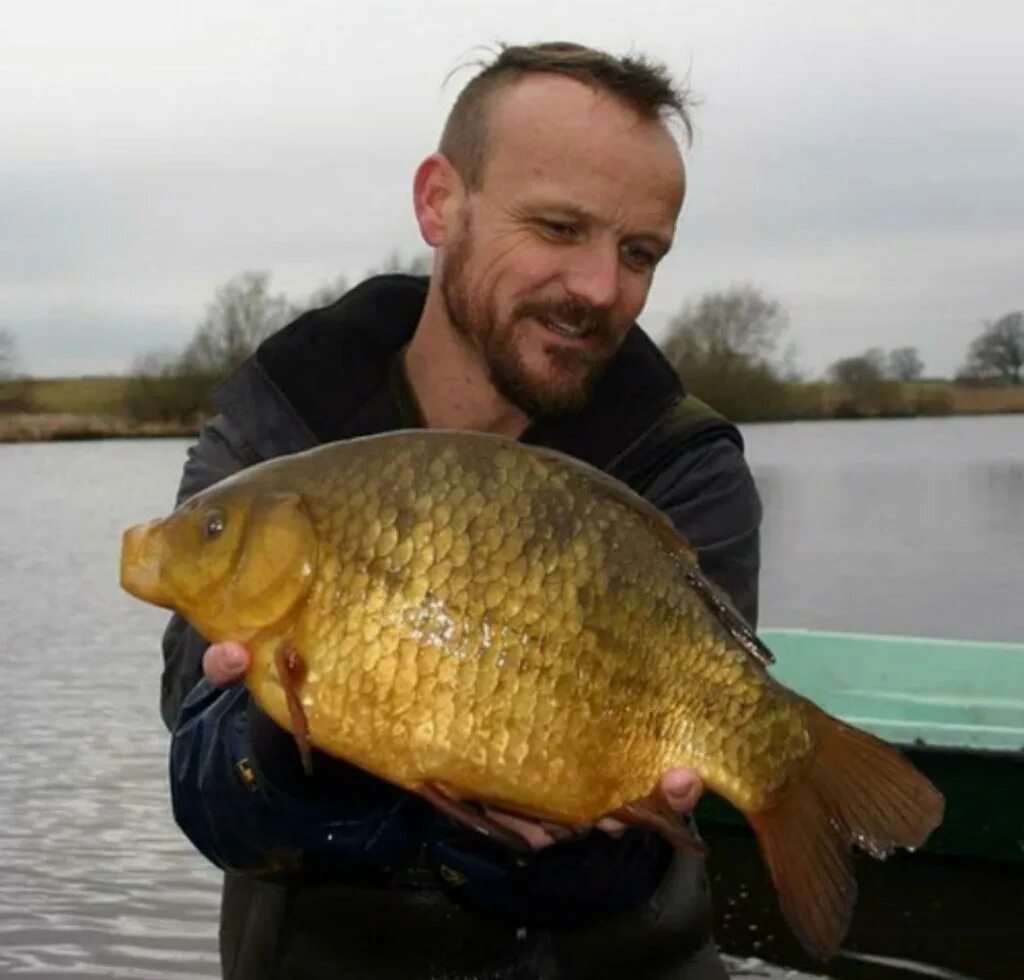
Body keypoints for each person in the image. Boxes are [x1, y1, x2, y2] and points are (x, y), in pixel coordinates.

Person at [161, 41, 762, 979]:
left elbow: (656, 827)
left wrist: (563, 840)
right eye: (560, 228)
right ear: (440, 202)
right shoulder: (278, 423)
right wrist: (295, 746)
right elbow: (198, 766)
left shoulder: (685, 463)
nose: (602, 289)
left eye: (638, 251)